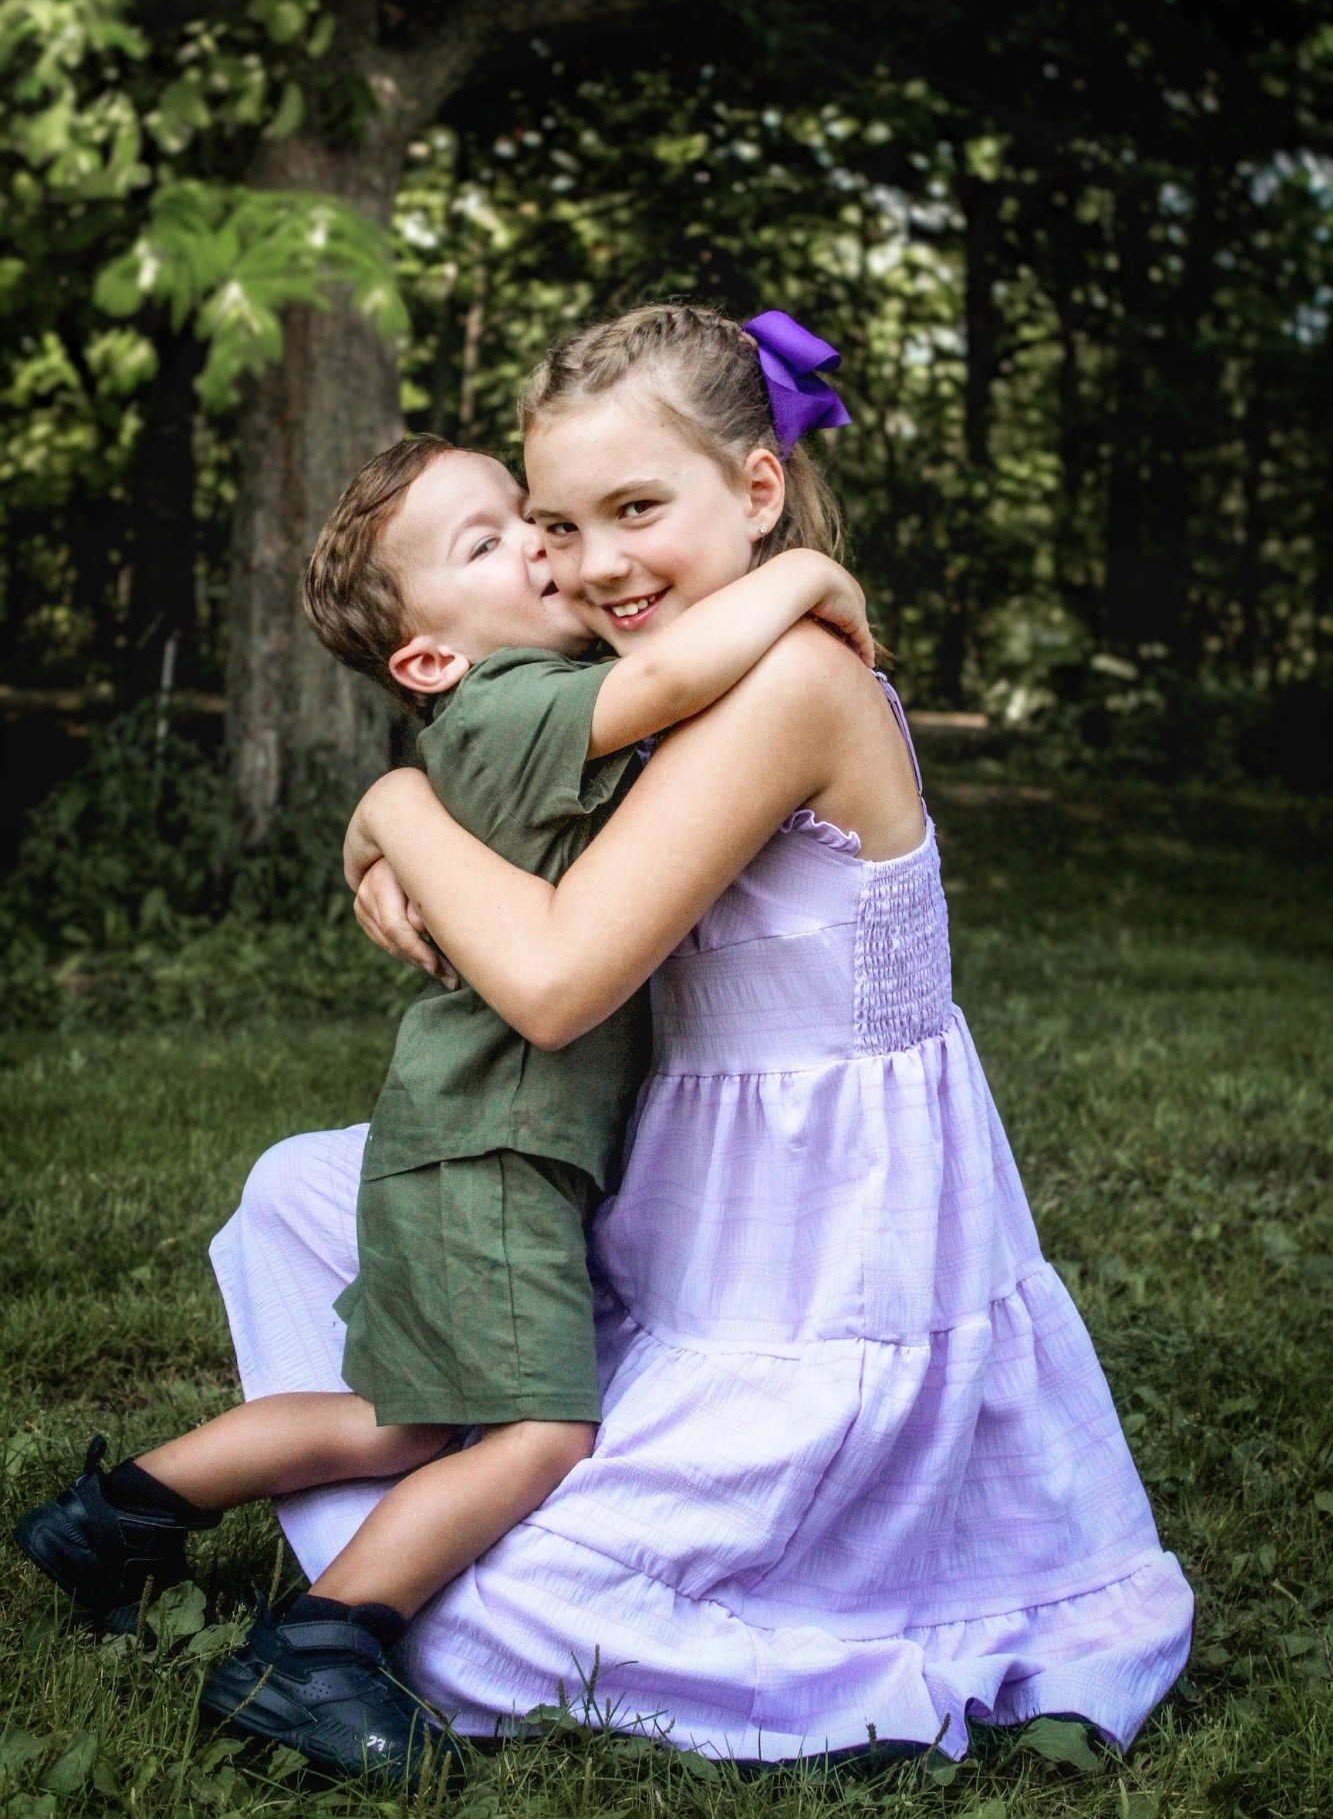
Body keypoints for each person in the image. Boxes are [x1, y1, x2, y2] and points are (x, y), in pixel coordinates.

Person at [215, 304, 1194, 1765]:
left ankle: (339, 1584)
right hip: (685, 1181)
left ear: (754, 489)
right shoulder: (662, 681)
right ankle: (242, 1493)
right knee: (308, 1186)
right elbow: (521, 828)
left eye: (635, 510)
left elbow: (550, 982)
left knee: (500, 1624)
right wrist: (382, 849)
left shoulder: (789, 681)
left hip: (819, 1240)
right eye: (556, 525)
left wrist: (395, 808)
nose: (594, 563)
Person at [14, 425, 873, 1783]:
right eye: (491, 543)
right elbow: (680, 666)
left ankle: (116, 1516)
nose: (538, 547)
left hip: (473, 1136)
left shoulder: (515, 698)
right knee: (537, 1432)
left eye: (524, 521)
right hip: (495, 1145)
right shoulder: (509, 706)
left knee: (399, 1416)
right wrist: (813, 581)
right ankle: (321, 1645)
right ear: (426, 662)